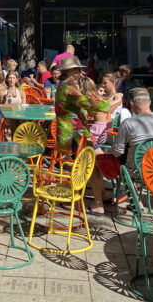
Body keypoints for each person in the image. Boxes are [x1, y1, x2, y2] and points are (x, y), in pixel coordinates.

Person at [53, 56, 109, 214]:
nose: (81, 72)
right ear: (71, 71)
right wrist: (111, 102)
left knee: (95, 163)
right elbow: (90, 104)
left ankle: (100, 198)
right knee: (94, 163)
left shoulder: (63, 87)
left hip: (75, 133)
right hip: (75, 135)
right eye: (78, 69)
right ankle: (94, 200)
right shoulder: (68, 89)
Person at [112, 88, 153, 176]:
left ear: (131, 104)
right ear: (149, 102)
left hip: (136, 171)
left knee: (103, 160)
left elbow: (117, 152)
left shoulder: (128, 123)